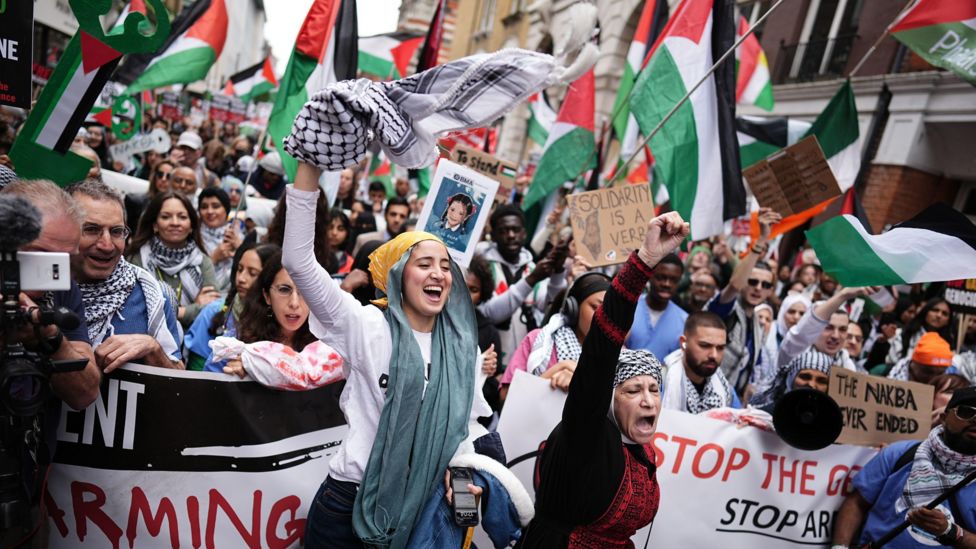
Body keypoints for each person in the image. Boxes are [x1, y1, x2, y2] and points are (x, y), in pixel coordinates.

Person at [283, 162, 493, 548]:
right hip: (347, 506)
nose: (438, 274)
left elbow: (467, 428)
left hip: (420, 512)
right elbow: (297, 260)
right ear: (398, 275)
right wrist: (309, 168)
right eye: (424, 264)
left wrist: (462, 480)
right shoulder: (366, 326)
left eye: (446, 267)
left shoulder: (465, 349)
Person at [517, 211, 690, 548]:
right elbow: (601, 351)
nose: (648, 400)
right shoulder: (588, 432)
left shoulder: (643, 453)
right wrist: (646, 261)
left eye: (654, 389)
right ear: (609, 399)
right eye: (633, 390)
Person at [0, 181, 100, 543]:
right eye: (38, 257)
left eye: (63, 260)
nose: (51, 273)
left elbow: (85, 390)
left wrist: (49, 337)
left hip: (26, 484)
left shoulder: (62, 287)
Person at [832, 386, 976, 549]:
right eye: (966, 412)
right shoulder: (900, 453)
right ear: (944, 417)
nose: (975, 419)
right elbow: (857, 503)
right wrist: (840, 546)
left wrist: (953, 532)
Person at [68, 180, 183, 371]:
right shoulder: (40, 291)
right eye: (91, 229)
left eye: (116, 232)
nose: (107, 245)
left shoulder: (153, 295)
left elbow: (180, 386)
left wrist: (152, 349)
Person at [477, 204, 568, 368]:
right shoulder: (483, 266)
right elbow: (490, 313)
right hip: (490, 365)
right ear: (494, 235)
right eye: (504, 231)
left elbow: (548, 307)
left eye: (516, 230)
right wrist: (531, 280)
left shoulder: (531, 268)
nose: (511, 235)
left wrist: (558, 272)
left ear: (524, 233)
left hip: (523, 365)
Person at [707, 208, 782, 397]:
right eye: (752, 281)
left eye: (765, 284)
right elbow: (734, 285)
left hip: (729, 404)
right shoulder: (728, 307)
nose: (758, 288)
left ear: (770, 291)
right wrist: (762, 239)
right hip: (705, 396)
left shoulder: (759, 325)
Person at [500, 272, 611, 397]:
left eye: (610, 311)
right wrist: (560, 368)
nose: (603, 318)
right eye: (596, 307)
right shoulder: (538, 339)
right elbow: (505, 399)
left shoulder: (618, 356)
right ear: (574, 308)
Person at [126, 191, 220, 328]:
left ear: (191, 226)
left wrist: (166, 311)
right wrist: (188, 311)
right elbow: (137, 309)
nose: (175, 223)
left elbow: (213, 307)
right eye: (166, 217)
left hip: (190, 343)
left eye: (182, 217)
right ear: (155, 225)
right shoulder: (136, 258)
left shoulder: (202, 261)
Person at [185, 240, 278, 371]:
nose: (241, 278)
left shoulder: (282, 318)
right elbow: (197, 372)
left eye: (252, 273)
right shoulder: (214, 311)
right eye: (240, 269)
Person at [661, 312, 741, 414]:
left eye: (720, 348)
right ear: (683, 343)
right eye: (705, 345)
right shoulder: (659, 383)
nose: (714, 355)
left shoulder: (726, 391)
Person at [625, 253, 688, 361]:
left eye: (674, 280)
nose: (667, 284)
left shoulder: (685, 320)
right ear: (649, 276)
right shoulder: (627, 307)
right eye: (661, 277)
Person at [888, 297, 954, 367]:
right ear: (925, 312)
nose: (939, 315)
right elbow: (893, 361)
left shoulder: (948, 344)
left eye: (944, 314)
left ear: (948, 321)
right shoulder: (905, 334)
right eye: (935, 310)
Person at [198, 187, 241, 292]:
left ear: (226, 210)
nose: (210, 211)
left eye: (216, 206)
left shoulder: (238, 234)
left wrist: (241, 248)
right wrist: (213, 258)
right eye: (204, 207)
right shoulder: (194, 237)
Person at [888, 332, 957, 384]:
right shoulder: (893, 379)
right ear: (912, 364)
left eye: (940, 374)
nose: (933, 379)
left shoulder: (952, 380)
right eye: (928, 372)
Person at [328, 208, 354, 276]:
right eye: (330, 227)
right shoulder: (310, 256)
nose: (334, 233)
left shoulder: (350, 262)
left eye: (340, 229)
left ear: (347, 233)